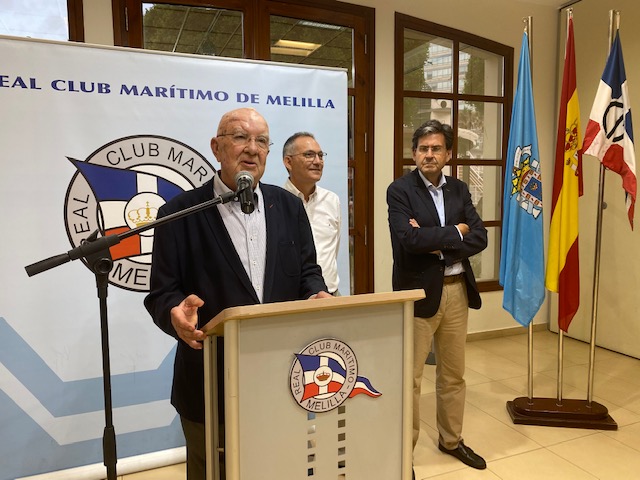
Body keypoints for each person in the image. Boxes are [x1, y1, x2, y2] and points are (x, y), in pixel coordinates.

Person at [144, 108, 331, 480]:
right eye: (241, 137)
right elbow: (162, 292)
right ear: (216, 148)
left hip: (282, 374)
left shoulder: (288, 206)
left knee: (279, 467)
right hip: (209, 379)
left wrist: (316, 294)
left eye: (261, 141)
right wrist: (174, 314)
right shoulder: (179, 213)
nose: (252, 148)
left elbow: (307, 271)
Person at [386, 119, 488, 471]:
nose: (429, 154)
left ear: (448, 154)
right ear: (414, 153)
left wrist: (437, 241)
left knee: (453, 375)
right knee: (410, 379)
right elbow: (409, 240)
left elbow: (480, 237)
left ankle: (451, 440)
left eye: (436, 149)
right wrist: (456, 231)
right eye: (423, 149)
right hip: (417, 294)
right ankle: (404, 455)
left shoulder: (459, 189)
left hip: (457, 291)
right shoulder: (400, 191)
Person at [282, 132, 341, 295]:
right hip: (294, 298)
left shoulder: (332, 200)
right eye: (309, 155)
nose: (317, 161)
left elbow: (334, 249)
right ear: (288, 162)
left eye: (320, 156)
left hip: (330, 294)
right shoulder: (276, 203)